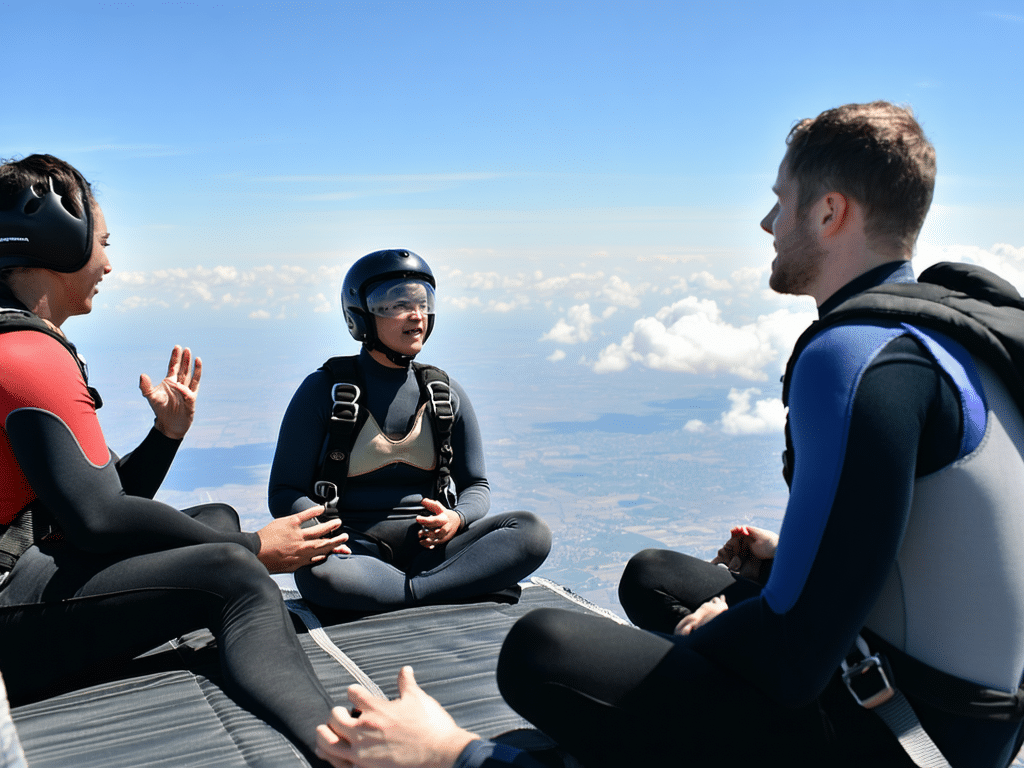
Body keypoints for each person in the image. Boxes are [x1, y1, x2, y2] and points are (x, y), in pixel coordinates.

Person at [314, 103, 1024, 768]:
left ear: (832, 211)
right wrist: (778, 571)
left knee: (543, 647)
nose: (768, 222)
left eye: (783, 200)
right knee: (654, 575)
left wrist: (717, 628)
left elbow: (793, 661)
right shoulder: (940, 336)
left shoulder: (853, 357)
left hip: (903, 734)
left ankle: (450, 754)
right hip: (957, 703)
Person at [0, 154, 351, 764]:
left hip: (20, 568)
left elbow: (95, 499)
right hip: (8, 609)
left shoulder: (16, 341)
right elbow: (100, 521)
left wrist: (165, 434)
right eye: (101, 243)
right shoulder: (29, 357)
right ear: (57, 237)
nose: (109, 262)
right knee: (232, 574)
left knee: (214, 518)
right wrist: (257, 552)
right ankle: (343, 747)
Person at [269, 249, 551, 612]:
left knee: (530, 533)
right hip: (352, 553)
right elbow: (284, 490)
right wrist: (326, 530)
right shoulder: (324, 391)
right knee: (320, 573)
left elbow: (476, 485)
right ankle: (443, 589)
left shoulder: (443, 394)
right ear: (361, 316)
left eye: (422, 302)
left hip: (435, 550)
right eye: (396, 304)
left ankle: (404, 594)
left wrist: (456, 518)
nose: (416, 315)